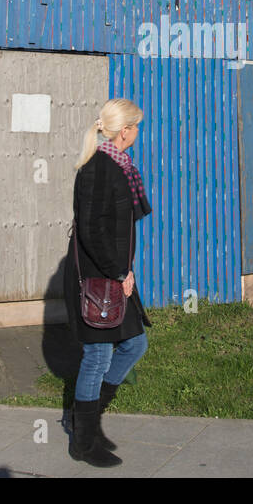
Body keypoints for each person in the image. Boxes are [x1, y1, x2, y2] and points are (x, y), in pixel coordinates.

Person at [65, 97, 152, 467]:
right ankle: (83, 443)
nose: (138, 133)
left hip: (115, 274)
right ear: (125, 131)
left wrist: (123, 271)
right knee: (97, 355)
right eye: (136, 127)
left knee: (135, 344)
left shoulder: (120, 166)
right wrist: (119, 273)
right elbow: (91, 232)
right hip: (100, 278)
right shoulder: (98, 169)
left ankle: (86, 418)